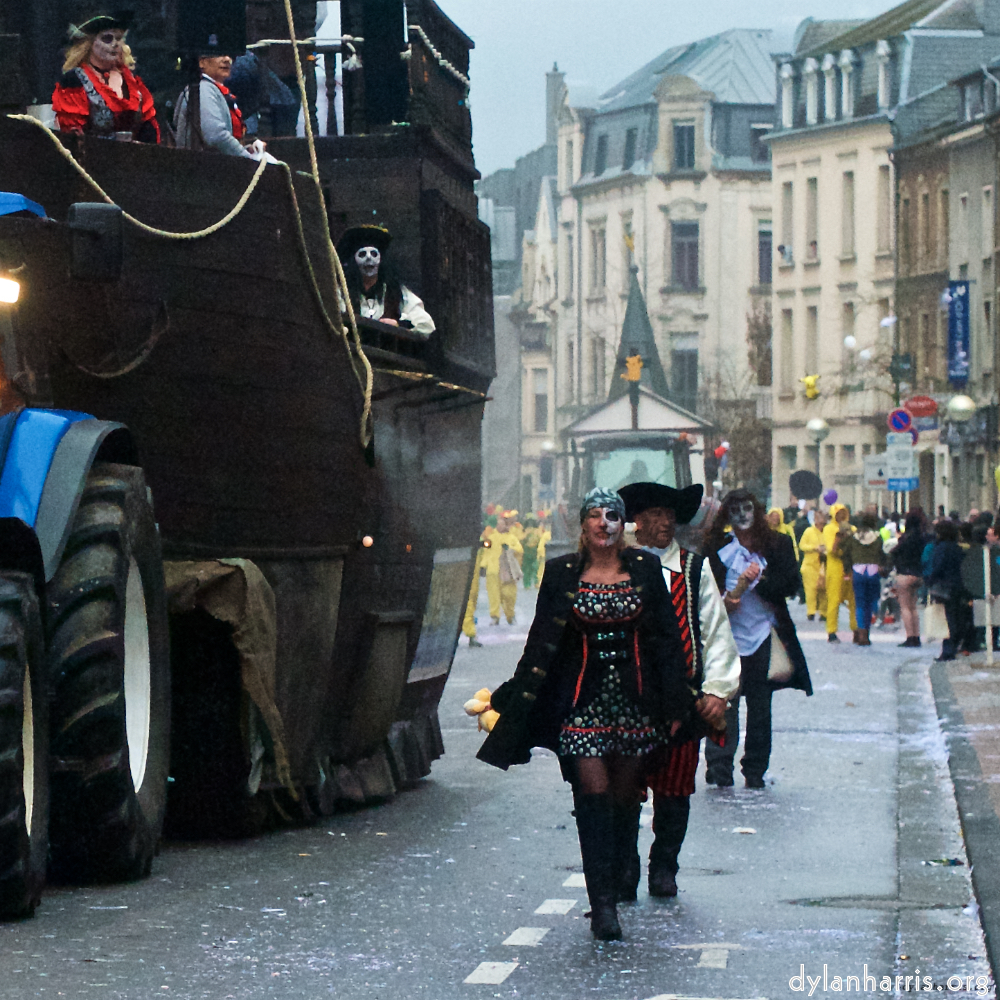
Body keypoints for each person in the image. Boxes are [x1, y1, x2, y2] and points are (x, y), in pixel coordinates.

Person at [476, 488, 690, 940]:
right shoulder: (561, 572)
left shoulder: (645, 568)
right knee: (592, 792)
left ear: (622, 525)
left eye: (612, 515)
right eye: (594, 515)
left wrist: (675, 702)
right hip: (580, 704)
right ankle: (603, 906)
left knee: (624, 797)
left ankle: (622, 871)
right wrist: (510, 696)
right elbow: (541, 642)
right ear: (583, 524)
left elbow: (666, 641)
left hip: (635, 704)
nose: (603, 523)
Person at [618, 482, 740, 899]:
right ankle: (625, 868)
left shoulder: (692, 569)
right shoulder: (619, 566)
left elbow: (715, 631)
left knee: (675, 789)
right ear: (637, 521)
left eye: (670, 515)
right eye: (656, 515)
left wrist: (718, 690)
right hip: (630, 700)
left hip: (683, 700)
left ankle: (664, 866)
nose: (665, 522)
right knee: (625, 789)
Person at [703, 489, 812, 789]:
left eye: (747, 508)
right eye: (735, 509)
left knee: (761, 705)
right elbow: (704, 589)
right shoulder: (717, 547)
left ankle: (754, 769)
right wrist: (726, 599)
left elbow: (790, 584)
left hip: (764, 633)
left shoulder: (778, 544)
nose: (742, 515)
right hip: (727, 636)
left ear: (758, 511)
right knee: (724, 701)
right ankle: (719, 765)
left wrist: (760, 582)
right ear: (727, 514)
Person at [52, 14, 160, 143]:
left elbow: (148, 127)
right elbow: (73, 134)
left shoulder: (133, 80)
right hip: (92, 154)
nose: (115, 44)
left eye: (118, 39)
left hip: (134, 155)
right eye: (107, 39)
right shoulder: (75, 80)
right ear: (90, 44)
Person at [336, 225, 436, 337]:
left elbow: (426, 325)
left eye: (374, 254)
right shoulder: (341, 293)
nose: (369, 259)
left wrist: (400, 325)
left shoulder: (397, 293)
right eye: (362, 254)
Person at [174, 38, 265, 158]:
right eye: (219, 54)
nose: (227, 59)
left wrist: (248, 150)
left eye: (229, 55)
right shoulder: (203, 89)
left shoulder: (214, 89)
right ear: (202, 62)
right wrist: (248, 158)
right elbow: (215, 136)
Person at [837, 511, 887, 645]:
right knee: (871, 602)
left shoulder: (854, 537)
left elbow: (844, 551)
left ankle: (862, 634)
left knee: (859, 603)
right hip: (873, 570)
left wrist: (847, 568)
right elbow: (883, 554)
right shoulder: (877, 537)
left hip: (858, 570)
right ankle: (868, 631)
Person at [928, 519, 965, 662]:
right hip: (958, 586)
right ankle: (952, 648)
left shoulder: (941, 548)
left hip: (944, 586)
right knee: (955, 616)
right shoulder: (958, 548)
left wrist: (930, 580)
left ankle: (947, 650)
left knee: (947, 620)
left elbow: (938, 567)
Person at [823, 503, 859, 643]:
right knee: (834, 600)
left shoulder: (853, 529)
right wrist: (839, 540)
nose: (841, 516)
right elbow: (831, 550)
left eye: (844, 513)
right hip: (835, 568)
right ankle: (831, 631)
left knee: (853, 600)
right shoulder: (829, 529)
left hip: (850, 568)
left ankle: (856, 629)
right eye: (838, 513)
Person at [480, 512, 522, 625]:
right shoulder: (491, 538)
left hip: (508, 572)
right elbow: (485, 552)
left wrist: (510, 548)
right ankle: (495, 616)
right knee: (493, 596)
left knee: (509, 595)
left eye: (502, 524)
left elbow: (519, 550)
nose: (500, 526)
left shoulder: (512, 538)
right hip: (493, 571)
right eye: (499, 524)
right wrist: (483, 565)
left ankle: (510, 615)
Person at [894, 511, 928, 647]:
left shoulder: (905, 539)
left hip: (905, 574)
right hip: (918, 574)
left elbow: (895, 553)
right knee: (913, 607)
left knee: (905, 607)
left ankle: (910, 637)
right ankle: (917, 635)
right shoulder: (922, 538)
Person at [798, 510, 827, 621]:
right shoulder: (809, 531)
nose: (821, 522)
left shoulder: (827, 532)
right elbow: (802, 545)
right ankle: (811, 611)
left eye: (823, 519)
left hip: (824, 565)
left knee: (824, 589)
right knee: (811, 589)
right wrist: (815, 548)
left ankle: (823, 612)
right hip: (810, 565)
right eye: (819, 519)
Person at [520, 517, 542, 589]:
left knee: (535, 568)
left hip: (534, 551)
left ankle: (535, 582)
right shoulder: (525, 531)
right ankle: (527, 584)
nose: (530, 526)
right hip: (527, 551)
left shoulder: (537, 531)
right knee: (527, 568)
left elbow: (540, 540)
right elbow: (521, 540)